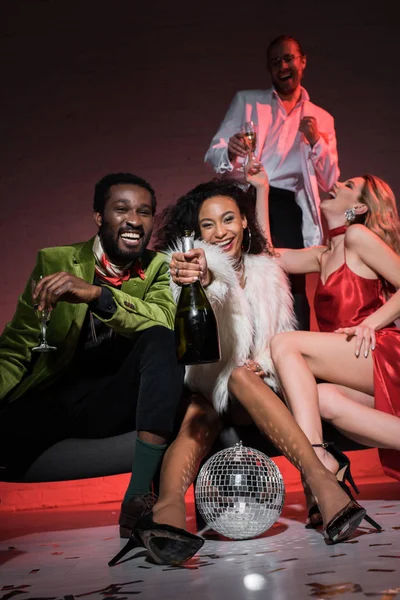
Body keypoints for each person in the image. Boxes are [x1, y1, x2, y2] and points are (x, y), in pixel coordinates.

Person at [114, 173, 378, 568]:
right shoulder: (186, 268)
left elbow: (281, 338)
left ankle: (322, 485)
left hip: (257, 389)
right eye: (208, 224)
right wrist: (202, 276)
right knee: (201, 408)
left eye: (228, 219)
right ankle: (167, 516)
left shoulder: (267, 270)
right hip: (208, 387)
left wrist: (263, 363)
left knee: (241, 376)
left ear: (243, 222)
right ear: (195, 232)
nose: (220, 232)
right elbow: (208, 287)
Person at [0, 172, 185, 539]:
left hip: (115, 403)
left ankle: (136, 500)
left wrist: (95, 295)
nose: (134, 219)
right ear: (99, 217)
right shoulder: (54, 262)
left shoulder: (158, 267)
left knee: (162, 338)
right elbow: (16, 347)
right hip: (56, 398)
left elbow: (161, 319)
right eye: (122, 209)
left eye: (145, 211)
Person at [247, 165, 400, 527]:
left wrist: (370, 322)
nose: (335, 184)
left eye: (349, 185)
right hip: (356, 360)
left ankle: (316, 465)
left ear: (359, 208)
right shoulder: (320, 255)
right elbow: (263, 256)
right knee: (324, 401)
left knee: (285, 343)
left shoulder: (358, 237)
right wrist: (262, 189)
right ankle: (322, 467)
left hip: (381, 350)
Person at [204, 34, 340, 331]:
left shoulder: (321, 118)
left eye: (288, 58)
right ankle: (249, 349)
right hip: (247, 196)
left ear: (302, 62)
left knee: (290, 283)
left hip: (289, 205)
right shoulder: (247, 101)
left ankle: (299, 353)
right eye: (275, 61)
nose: (282, 66)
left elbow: (331, 180)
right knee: (246, 274)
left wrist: (316, 140)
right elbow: (212, 153)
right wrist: (229, 149)